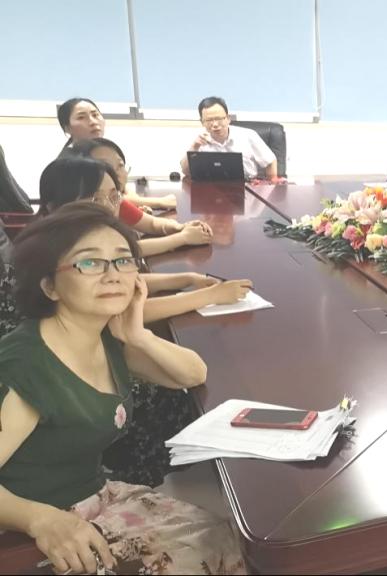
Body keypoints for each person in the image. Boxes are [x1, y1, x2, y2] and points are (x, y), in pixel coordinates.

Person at [0, 202, 246, 574]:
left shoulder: (104, 337)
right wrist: (40, 520)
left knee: (228, 544)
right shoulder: (23, 367)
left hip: (96, 497)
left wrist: (138, 334)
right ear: (49, 285)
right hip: (36, 526)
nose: (112, 275)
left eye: (122, 260)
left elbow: (192, 374)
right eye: (89, 262)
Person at [39, 156, 216, 259]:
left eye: (120, 165)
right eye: (95, 199)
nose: (108, 206)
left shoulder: (113, 202)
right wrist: (182, 238)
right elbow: (129, 250)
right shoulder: (62, 247)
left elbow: (152, 224)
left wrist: (180, 228)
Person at [57, 98, 175, 210]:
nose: (93, 122)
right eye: (81, 117)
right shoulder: (69, 163)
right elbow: (103, 199)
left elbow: (119, 185)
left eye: (95, 115)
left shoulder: (102, 150)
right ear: (67, 128)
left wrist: (135, 200)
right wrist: (160, 202)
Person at [180, 96, 278, 181]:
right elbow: (185, 171)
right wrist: (194, 147)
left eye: (219, 119)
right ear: (202, 122)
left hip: (247, 185)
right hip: (211, 187)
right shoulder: (200, 141)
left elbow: (270, 161)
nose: (215, 124)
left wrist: (271, 185)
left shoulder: (248, 135)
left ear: (228, 118)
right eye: (209, 120)